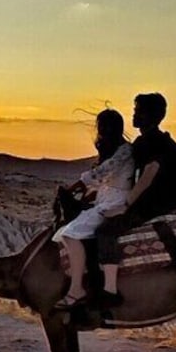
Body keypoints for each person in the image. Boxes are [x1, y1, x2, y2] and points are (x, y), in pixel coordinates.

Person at [95, 93, 176, 307]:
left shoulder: (152, 143)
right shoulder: (152, 141)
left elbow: (148, 174)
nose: (134, 115)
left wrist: (125, 207)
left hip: (157, 204)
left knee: (105, 232)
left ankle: (109, 291)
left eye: (138, 111)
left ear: (150, 116)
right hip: (159, 201)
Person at [53, 109, 133, 309]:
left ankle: (76, 290)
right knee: (68, 232)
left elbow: (102, 172)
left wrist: (74, 187)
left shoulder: (124, 151)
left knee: (70, 234)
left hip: (114, 201)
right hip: (106, 198)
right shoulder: (117, 150)